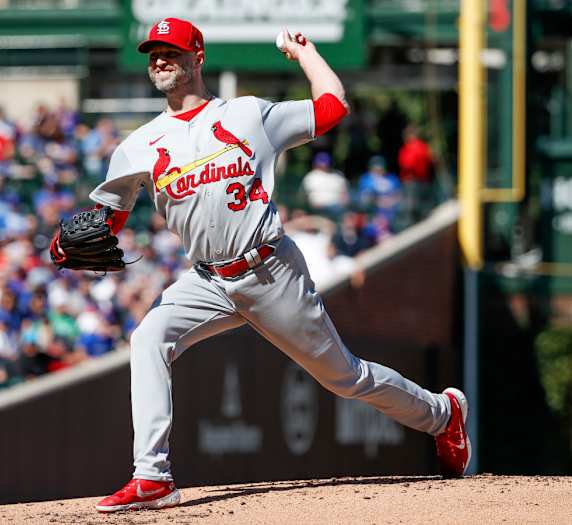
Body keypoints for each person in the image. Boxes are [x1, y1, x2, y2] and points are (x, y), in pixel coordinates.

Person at [88, 18, 470, 513]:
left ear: (197, 57)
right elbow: (107, 217)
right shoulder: (137, 144)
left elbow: (332, 107)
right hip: (206, 280)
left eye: (171, 51)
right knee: (147, 338)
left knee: (345, 378)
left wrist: (306, 54)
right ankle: (153, 477)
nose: (160, 60)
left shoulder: (248, 115)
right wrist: (69, 241)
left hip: (270, 272)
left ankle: (443, 414)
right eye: (153, 53)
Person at [398, 124, 434, 223]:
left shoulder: (409, 148)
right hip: (425, 180)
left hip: (412, 181)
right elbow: (430, 162)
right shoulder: (424, 146)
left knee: (411, 209)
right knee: (424, 207)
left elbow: (407, 165)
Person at [301, 151, 349, 218]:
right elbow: (304, 197)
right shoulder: (310, 177)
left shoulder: (337, 176)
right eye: (320, 163)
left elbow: (344, 196)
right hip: (316, 210)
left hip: (336, 209)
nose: (323, 165)